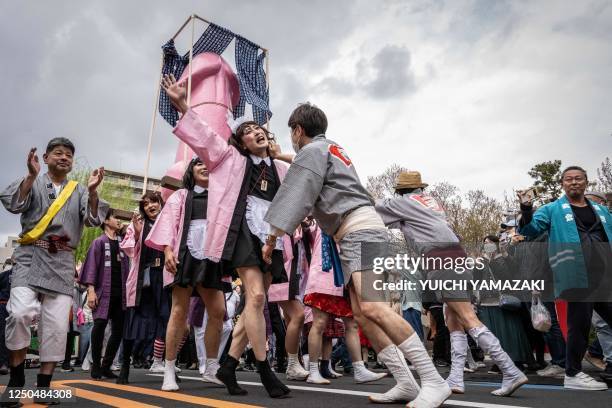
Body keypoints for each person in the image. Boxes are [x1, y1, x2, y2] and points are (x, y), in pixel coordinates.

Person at [262, 103, 451, 407]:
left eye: (292, 134)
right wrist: (280, 155)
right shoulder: (333, 148)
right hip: (359, 230)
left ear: (297, 130)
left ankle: (432, 380)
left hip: (359, 231)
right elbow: (306, 169)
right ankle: (405, 382)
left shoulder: (312, 152)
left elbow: (296, 192)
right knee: (362, 313)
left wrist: (271, 236)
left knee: (374, 308)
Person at [161, 73, 297, 398]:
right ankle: (266, 372)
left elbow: (307, 178)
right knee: (258, 298)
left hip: (272, 237)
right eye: (247, 132)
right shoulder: (231, 159)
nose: (254, 133)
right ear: (242, 143)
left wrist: (282, 155)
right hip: (242, 236)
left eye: (258, 129)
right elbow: (207, 138)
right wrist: (183, 105)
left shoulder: (280, 170)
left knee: (255, 304)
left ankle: (228, 365)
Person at [374, 171, 527, 398]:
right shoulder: (430, 202)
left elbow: (375, 207)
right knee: (452, 318)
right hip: (458, 257)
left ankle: (510, 370)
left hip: (440, 259)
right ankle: (456, 377)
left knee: (467, 317)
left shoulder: (403, 202)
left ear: (400, 190)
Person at [0, 138, 106, 406]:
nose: (64, 158)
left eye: (69, 155)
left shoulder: (80, 190)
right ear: (45, 157)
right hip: (29, 256)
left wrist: (93, 192)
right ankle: (15, 379)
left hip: (62, 261)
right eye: (58, 153)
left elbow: (94, 220)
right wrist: (30, 176)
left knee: (57, 326)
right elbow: (13, 204)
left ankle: (44, 386)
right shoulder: (34, 180)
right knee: (20, 313)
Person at [518, 166, 612, 391]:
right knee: (579, 324)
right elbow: (530, 229)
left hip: (604, 276)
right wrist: (526, 207)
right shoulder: (552, 209)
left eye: (578, 178)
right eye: (568, 179)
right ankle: (572, 373)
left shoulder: (601, 211)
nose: (574, 182)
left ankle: (575, 370)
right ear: (562, 184)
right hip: (575, 274)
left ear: (586, 182)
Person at [145, 157, 231, 391]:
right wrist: (168, 250)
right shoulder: (181, 196)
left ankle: (211, 368)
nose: (204, 166)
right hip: (185, 254)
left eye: (207, 163)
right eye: (198, 163)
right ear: (191, 171)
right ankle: (169, 370)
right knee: (179, 311)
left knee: (219, 311)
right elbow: (167, 226)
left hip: (212, 254)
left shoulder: (220, 196)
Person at [303, 222, 386, 385]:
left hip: (344, 279)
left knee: (352, 324)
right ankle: (313, 370)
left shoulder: (349, 222)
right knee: (319, 323)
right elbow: (304, 229)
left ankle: (359, 369)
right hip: (323, 276)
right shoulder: (318, 223)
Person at [118, 191, 172, 384]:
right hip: (144, 277)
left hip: (164, 276)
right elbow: (129, 249)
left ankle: (169, 367)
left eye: (154, 202)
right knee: (133, 320)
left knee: (168, 318)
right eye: (146, 204)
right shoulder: (137, 224)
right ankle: (125, 366)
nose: (151, 206)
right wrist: (139, 232)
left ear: (160, 203)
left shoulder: (170, 220)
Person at [78, 209, 130, 379]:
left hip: (120, 294)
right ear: (106, 221)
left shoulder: (123, 243)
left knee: (118, 330)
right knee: (99, 327)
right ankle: (95, 365)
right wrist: (91, 291)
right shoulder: (99, 242)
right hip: (103, 293)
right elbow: (91, 267)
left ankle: (106, 365)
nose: (118, 220)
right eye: (115, 217)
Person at [0, 259, 15, 376]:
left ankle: (6, 363)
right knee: (6, 335)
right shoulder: (7, 275)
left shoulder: (4, 275)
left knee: (6, 335)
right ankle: (5, 363)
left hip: (9, 306)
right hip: (7, 305)